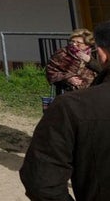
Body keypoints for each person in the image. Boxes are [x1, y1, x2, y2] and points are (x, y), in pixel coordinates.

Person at [21, 21, 110, 200]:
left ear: (99, 52)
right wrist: (68, 78)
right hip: (78, 97)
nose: (75, 45)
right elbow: (52, 71)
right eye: (73, 42)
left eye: (79, 42)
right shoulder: (62, 55)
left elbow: (41, 182)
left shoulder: (71, 107)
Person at [45, 28, 99, 94]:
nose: (74, 44)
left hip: (93, 91)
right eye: (72, 41)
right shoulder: (62, 53)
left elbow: (104, 69)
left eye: (78, 42)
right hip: (68, 93)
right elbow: (50, 71)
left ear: (87, 44)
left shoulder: (96, 53)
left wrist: (90, 61)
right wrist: (68, 78)